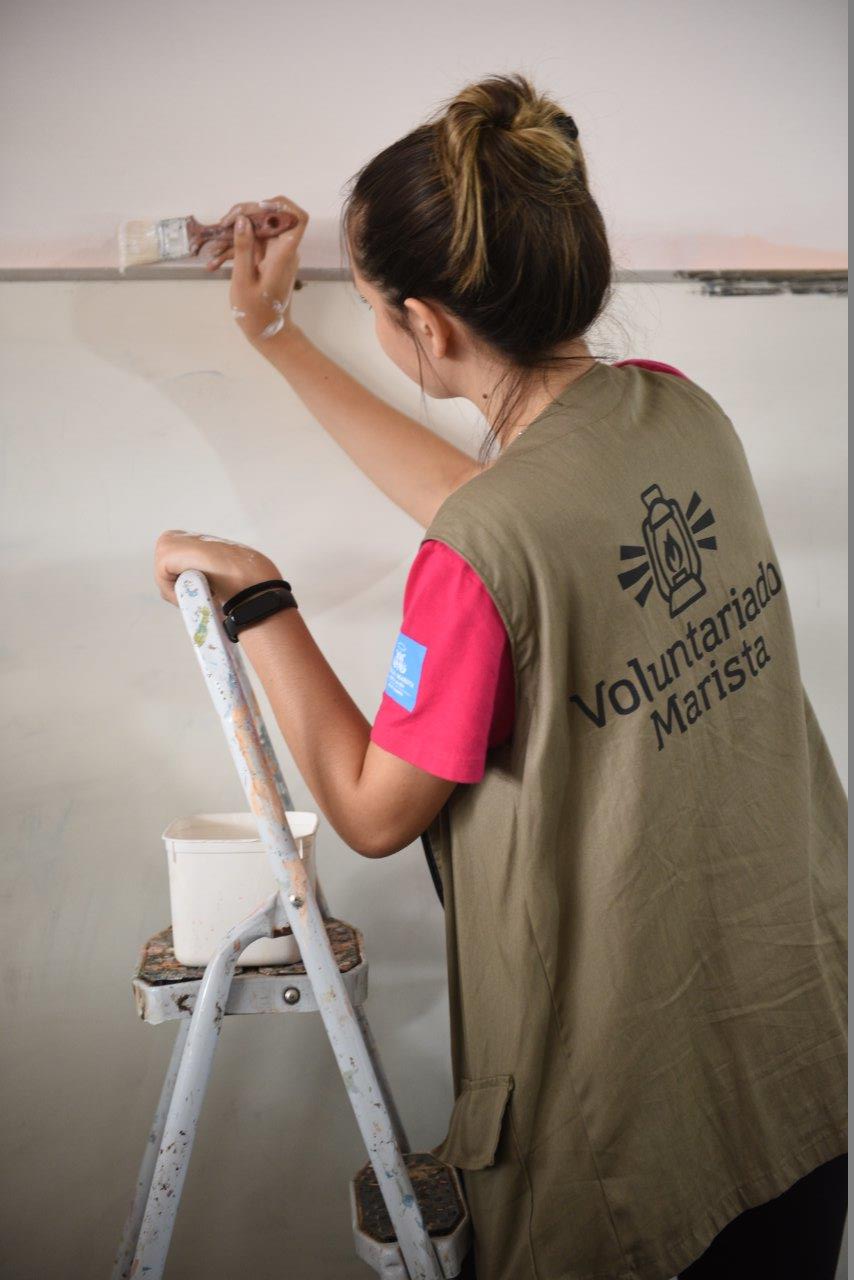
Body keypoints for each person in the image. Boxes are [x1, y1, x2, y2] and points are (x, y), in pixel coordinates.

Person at [153, 72, 847, 1280]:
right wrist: (273, 339)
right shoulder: (680, 414)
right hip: (798, 1069)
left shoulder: (484, 555)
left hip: (640, 1154)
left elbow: (372, 808)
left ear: (426, 328)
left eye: (373, 306)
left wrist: (256, 595)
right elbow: (504, 514)